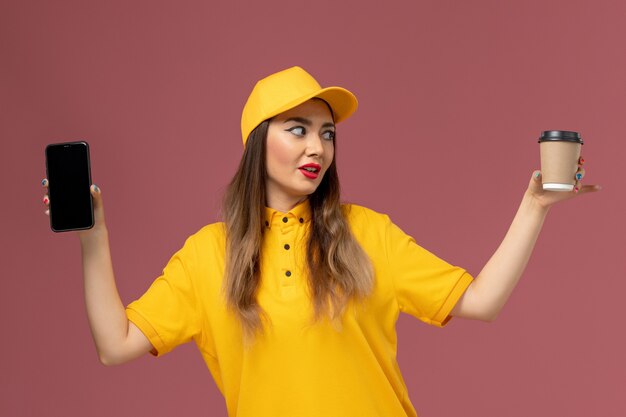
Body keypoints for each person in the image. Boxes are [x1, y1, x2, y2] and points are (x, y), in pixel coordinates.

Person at [42, 66, 600, 417]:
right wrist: (95, 236)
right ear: (258, 143)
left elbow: (481, 301)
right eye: (298, 129)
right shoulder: (206, 256)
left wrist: (534, 207)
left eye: (327, 133)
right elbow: (114, 346)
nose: (318, 147)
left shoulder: (366, 233)